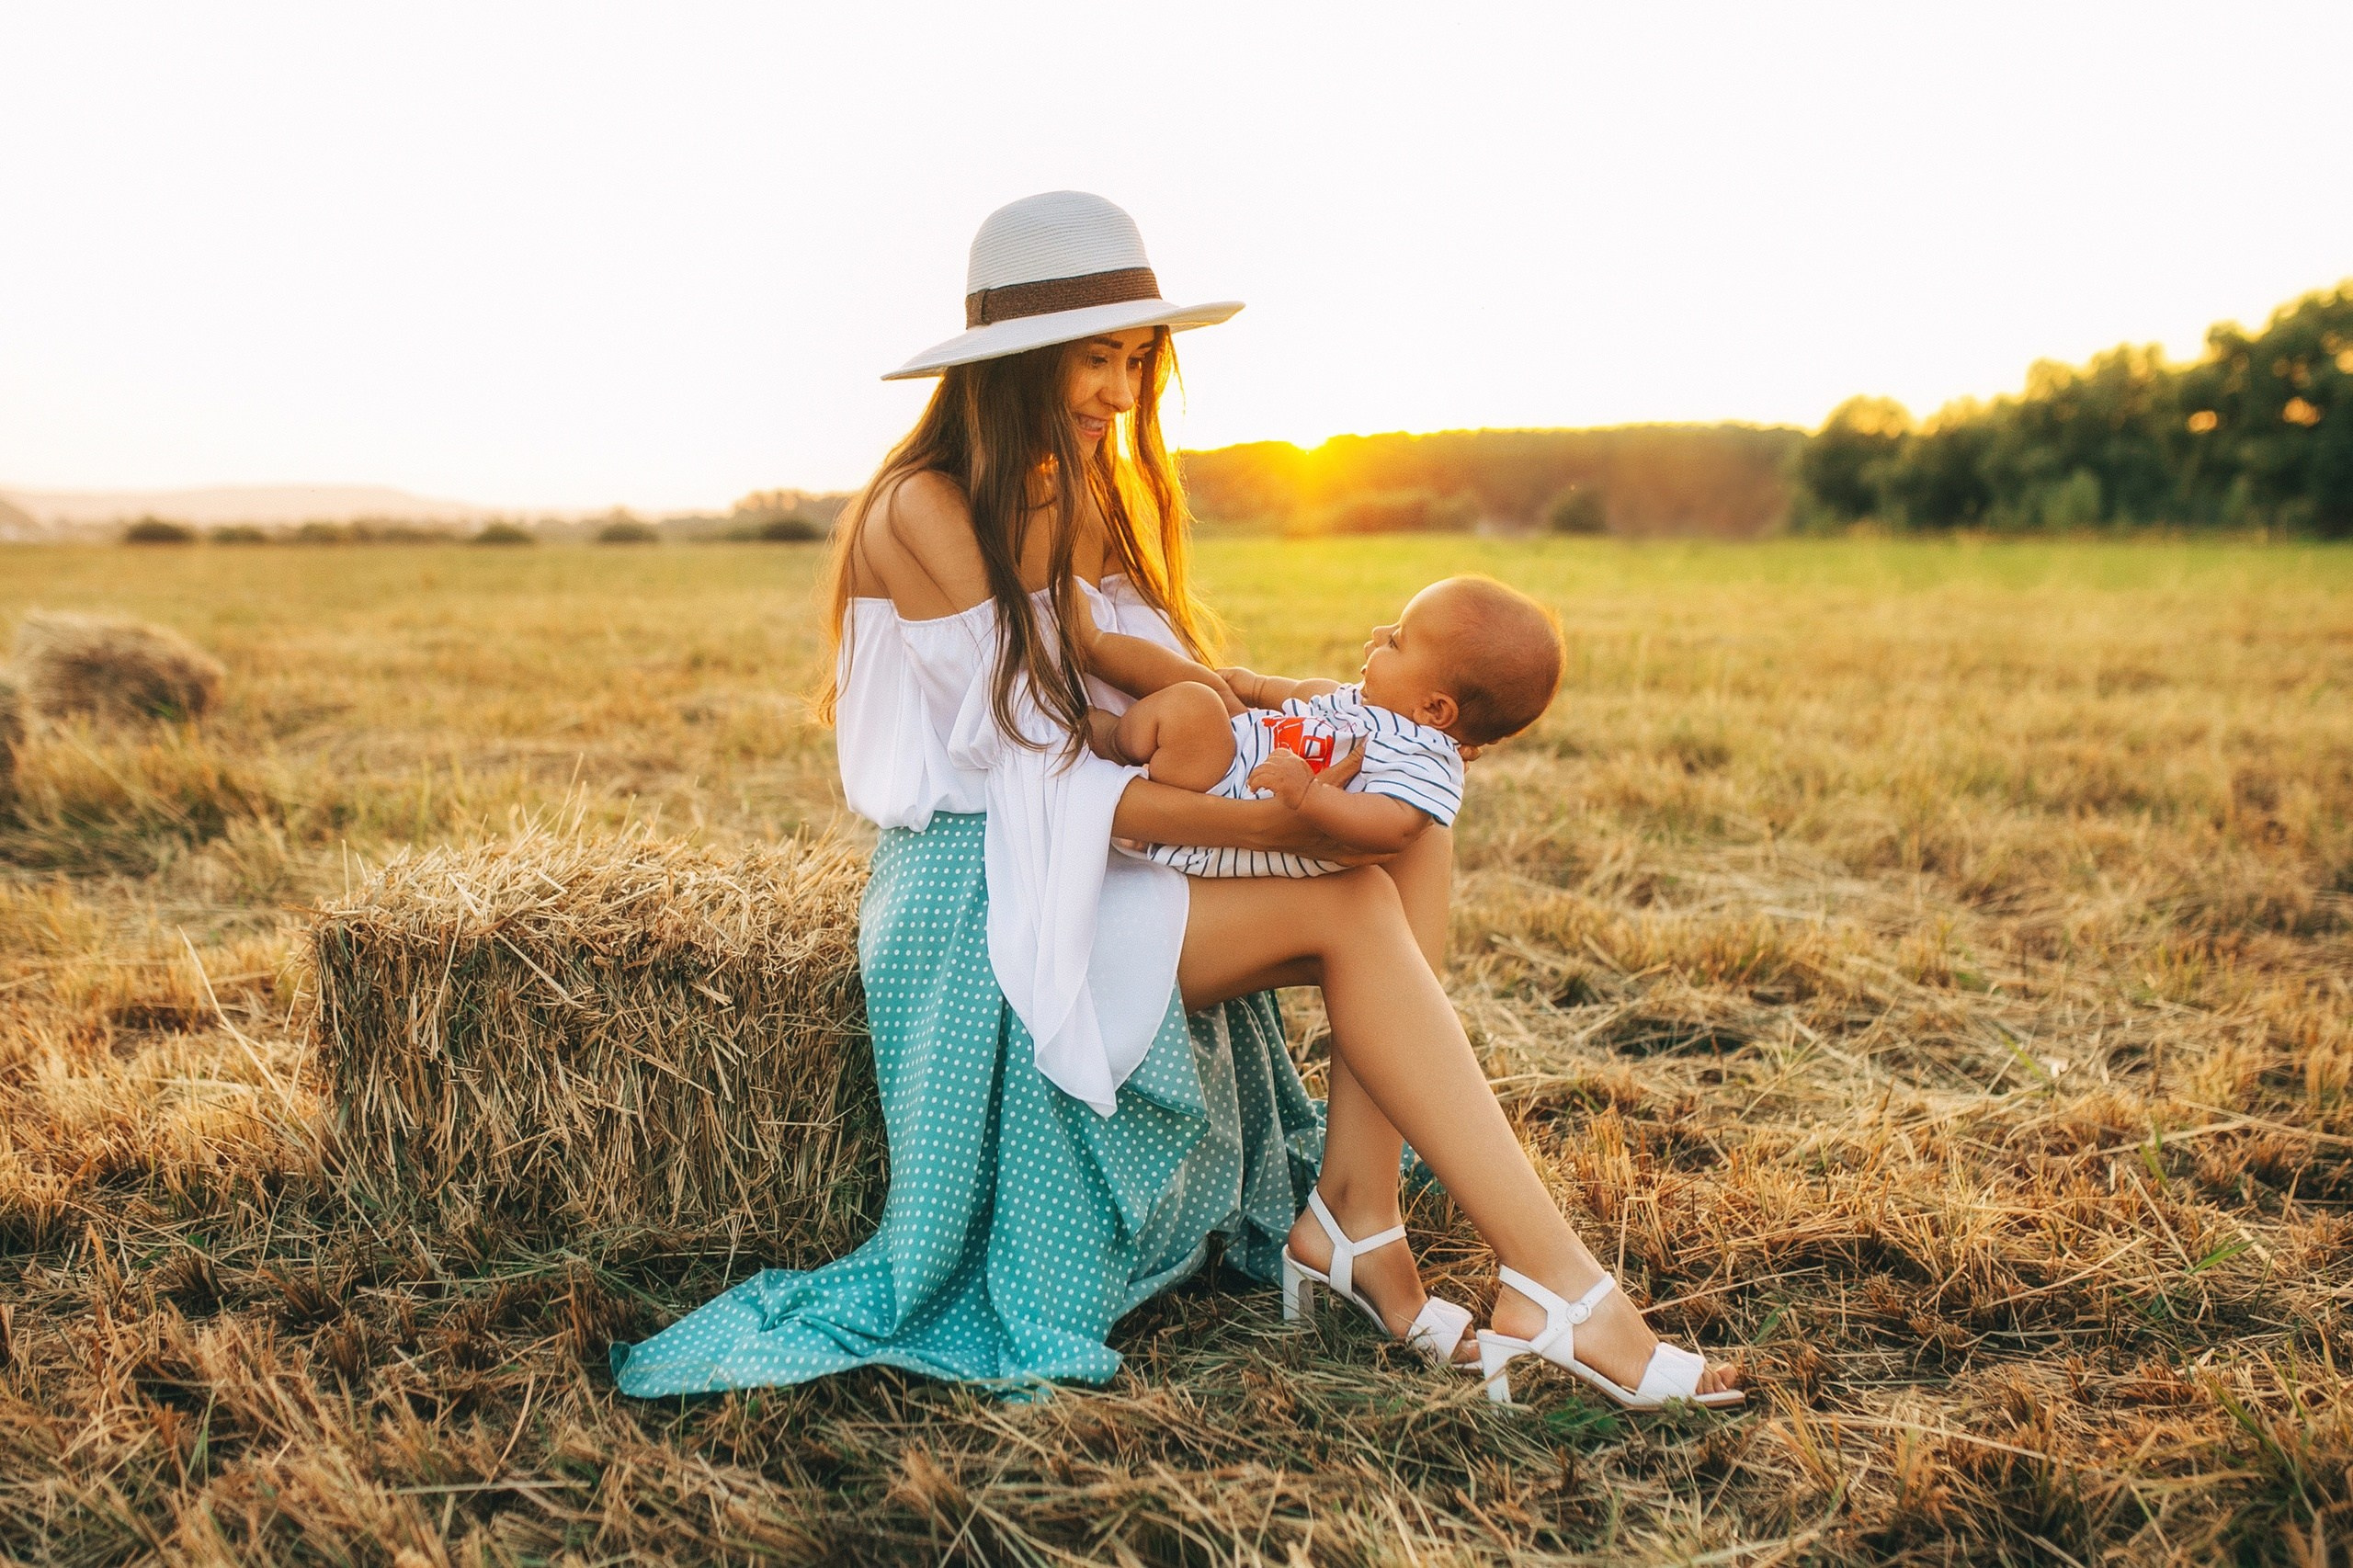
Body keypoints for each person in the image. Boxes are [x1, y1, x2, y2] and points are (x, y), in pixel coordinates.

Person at [610, 191, 1739, 1409]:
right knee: (1353, 897)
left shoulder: (1082, 487)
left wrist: (1295, 708)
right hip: (986, 887)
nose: (1118, 390)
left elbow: (1152, 689)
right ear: (1014, 364)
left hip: (1095, 845)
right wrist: (1279, 826)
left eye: (1135, 359)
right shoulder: (921, 512)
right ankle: (1562, 1291)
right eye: (1097, 358)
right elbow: (1048, 772)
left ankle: (1359, 1219)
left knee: (1416, 842)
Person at [1084, 575, 1563, 881]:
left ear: (1436, 711)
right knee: (1200, 684)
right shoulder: (1378, 710)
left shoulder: (1425, 761)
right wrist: (1253, 685)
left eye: (1396, 641)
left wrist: (1311, 796)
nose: (1377, 635)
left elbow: (1394, 828)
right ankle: (1094, 648)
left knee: (1194, 706)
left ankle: (1110, 738)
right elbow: (1309, 692)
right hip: (1244, 756)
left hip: (1223, 797)